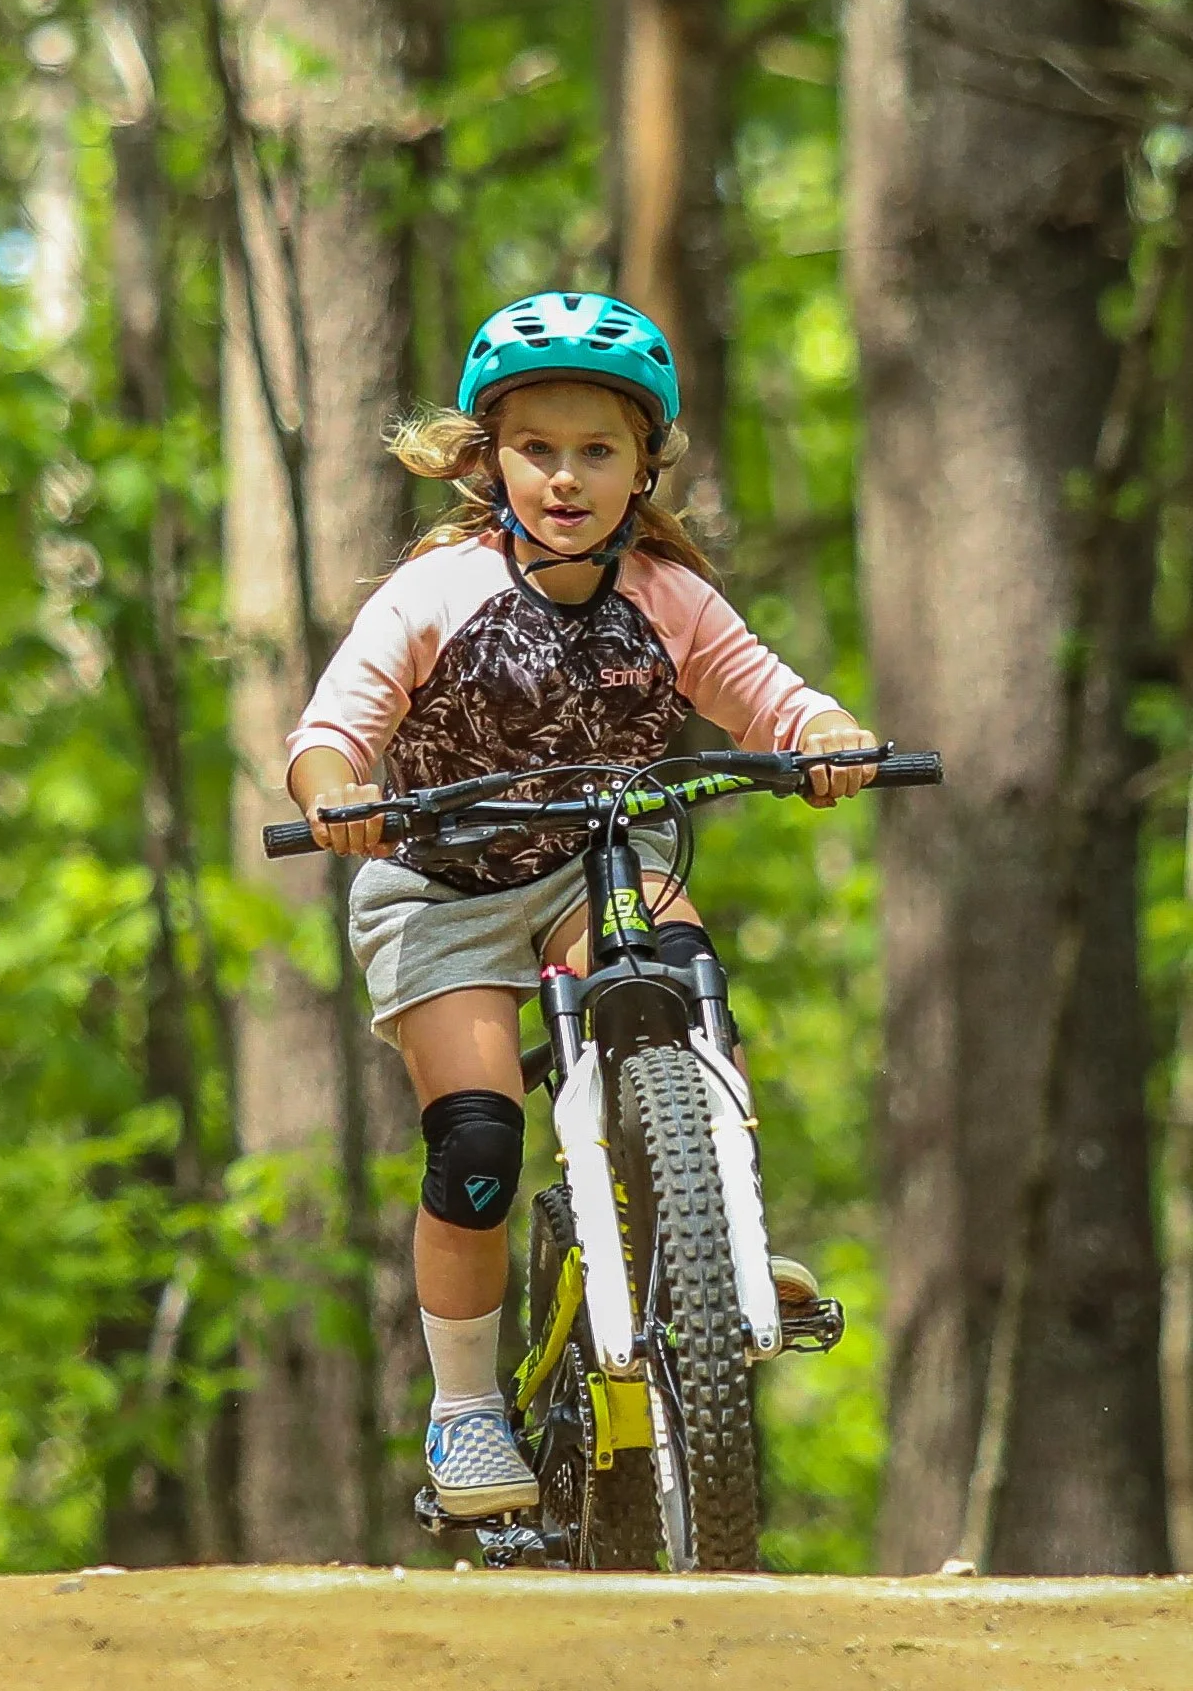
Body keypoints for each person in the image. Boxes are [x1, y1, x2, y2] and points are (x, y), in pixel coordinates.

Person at [285, 291, 876, 1521]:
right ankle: (463, 1415)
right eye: (536, 447)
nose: (565, 476)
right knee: (480, 1142)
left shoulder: (666, 595)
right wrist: (338, 792)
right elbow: (333, 730)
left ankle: (707, 1218)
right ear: (487, 458)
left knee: (674, 982)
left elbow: (764, 694)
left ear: (640, 465)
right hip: (439, 884)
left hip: (598, 854)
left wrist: (823, 736)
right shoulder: (436, 591)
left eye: (596, 450)